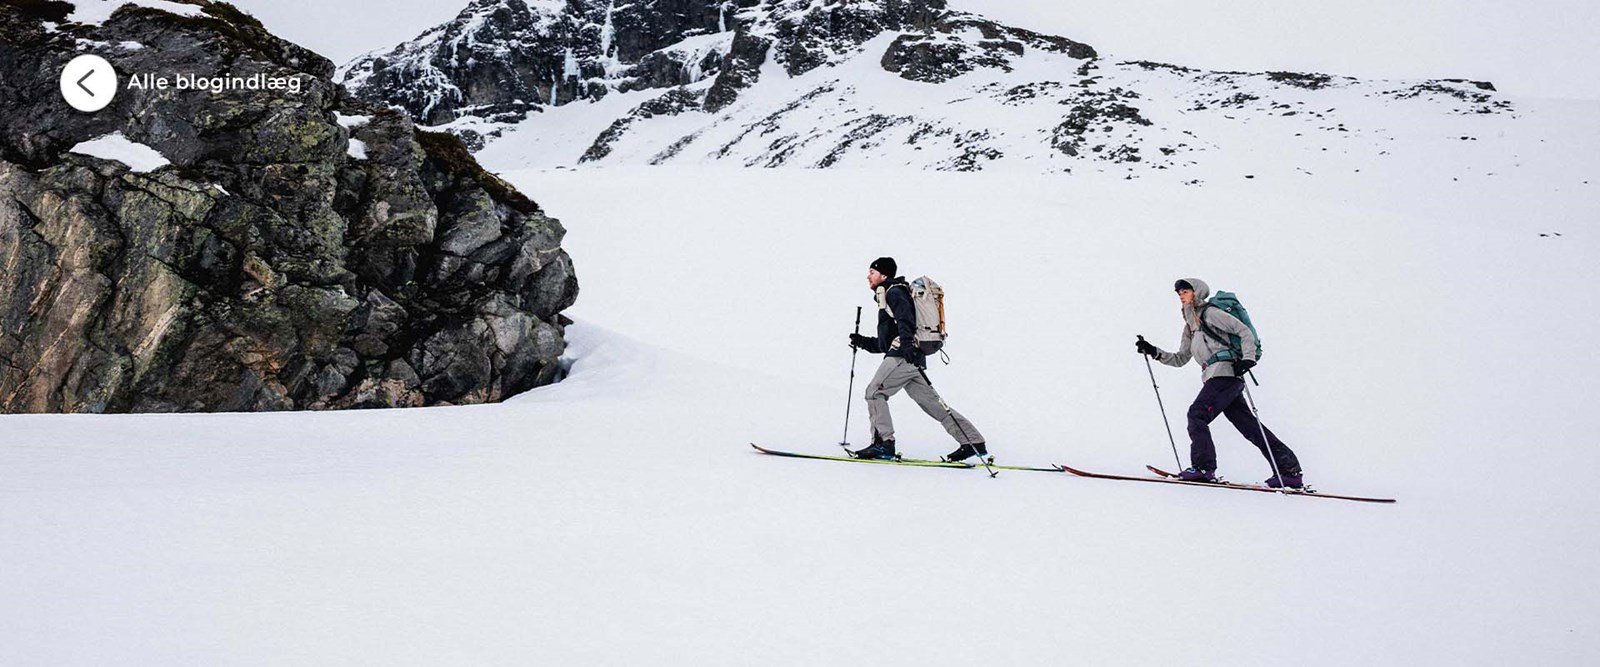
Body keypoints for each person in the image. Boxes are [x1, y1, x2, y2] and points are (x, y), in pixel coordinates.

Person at [1135, 278, 1305, 488]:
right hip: (1215, 376)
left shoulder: (1210, 313)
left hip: (1226, 374)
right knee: (1249, 426)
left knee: (1197, 414)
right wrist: (1153, 351)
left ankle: (1203, 468)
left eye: (1185, 291)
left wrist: (1248, 358)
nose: (1181, 295)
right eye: (1178, 293)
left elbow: (1243, 331)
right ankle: (1289, 471)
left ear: (1197, 292)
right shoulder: (1191, 326)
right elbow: (1181, 359)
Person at [847, 257, 988, 462]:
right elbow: (885, 343)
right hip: (911, 357)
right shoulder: (887, 295)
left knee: (874, 392)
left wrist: (906, 347)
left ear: (884, 275)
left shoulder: (894, 292)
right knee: (932, 404)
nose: (868, 276)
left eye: (872, 272)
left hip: (903, 355)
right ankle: (973, 441)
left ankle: (884, 444)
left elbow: (906, 321)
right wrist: (862, 341)